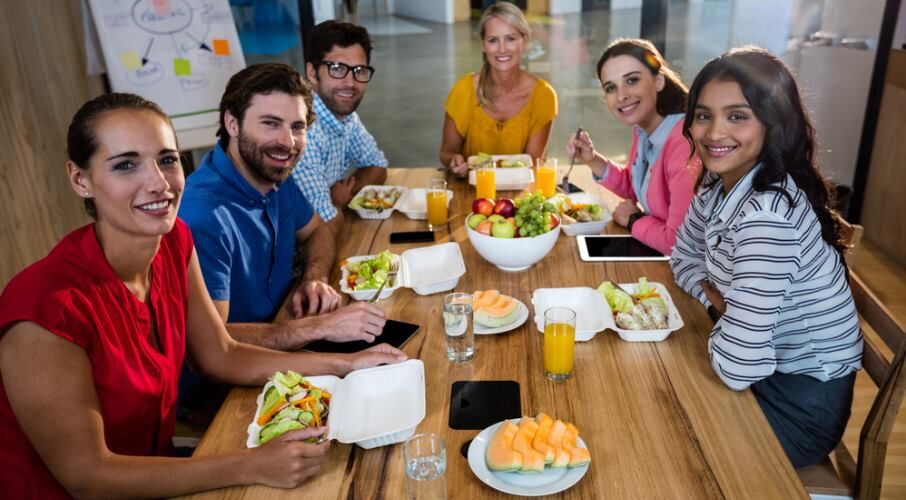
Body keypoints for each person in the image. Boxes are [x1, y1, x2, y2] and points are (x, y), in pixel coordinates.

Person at [0, 93, 406, 498]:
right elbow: (87, 477)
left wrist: (346, 364)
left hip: (161, 474)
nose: (159, 183)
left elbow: (222, 355)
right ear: (80, 179)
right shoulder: (43, 308)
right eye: (126, 164)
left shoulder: (174, 241)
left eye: (167, 160)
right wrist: (253, 464)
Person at [670, 47, 863, 468]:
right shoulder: (719, 184)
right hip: (762, 370)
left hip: (797, 406)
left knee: (666, 441)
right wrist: (720, 308)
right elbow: (682, 258)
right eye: (703, 115)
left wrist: (731, 320)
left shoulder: (767, 219)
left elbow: (738, 367)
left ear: (772, 123)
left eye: (737, 116)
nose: (714, 132)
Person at [179, 63, 387, 354]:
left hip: (285, 335)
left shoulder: (273, 175)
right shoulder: (202, 215)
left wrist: (314, 277)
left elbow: (317, 231)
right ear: (232, 124)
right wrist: (318, 327)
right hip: (237, 374)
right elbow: (209, 343)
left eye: (297, 127)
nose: (288, 142)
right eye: (270, 123)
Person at [566, 38, 700, 256]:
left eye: (632, 80)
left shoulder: (684, 144)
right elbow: (641, 188)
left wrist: (634, 220)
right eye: (611, 88)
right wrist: (592, 159)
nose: (621, 96)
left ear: (658, 81)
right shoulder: (644, 129)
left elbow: (679, 243)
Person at [291, 21, 388, 234]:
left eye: (359, 71)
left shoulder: (345, 117)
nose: (350, 83)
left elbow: (378, 165)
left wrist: (342, 195)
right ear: (312, 72)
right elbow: (321, 228)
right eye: (337, 69)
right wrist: (334, 203)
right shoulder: (304, 131)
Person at [440, 2, 558, 176]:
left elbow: (532, 162)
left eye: (510, 39)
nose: (502, 49)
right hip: (469, 188)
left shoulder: (543, 95)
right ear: (483, 44)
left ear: (524, 41)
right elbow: (446, 152)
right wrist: (454, 160)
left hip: (520, 189)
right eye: (493, 40)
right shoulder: (463, 90)